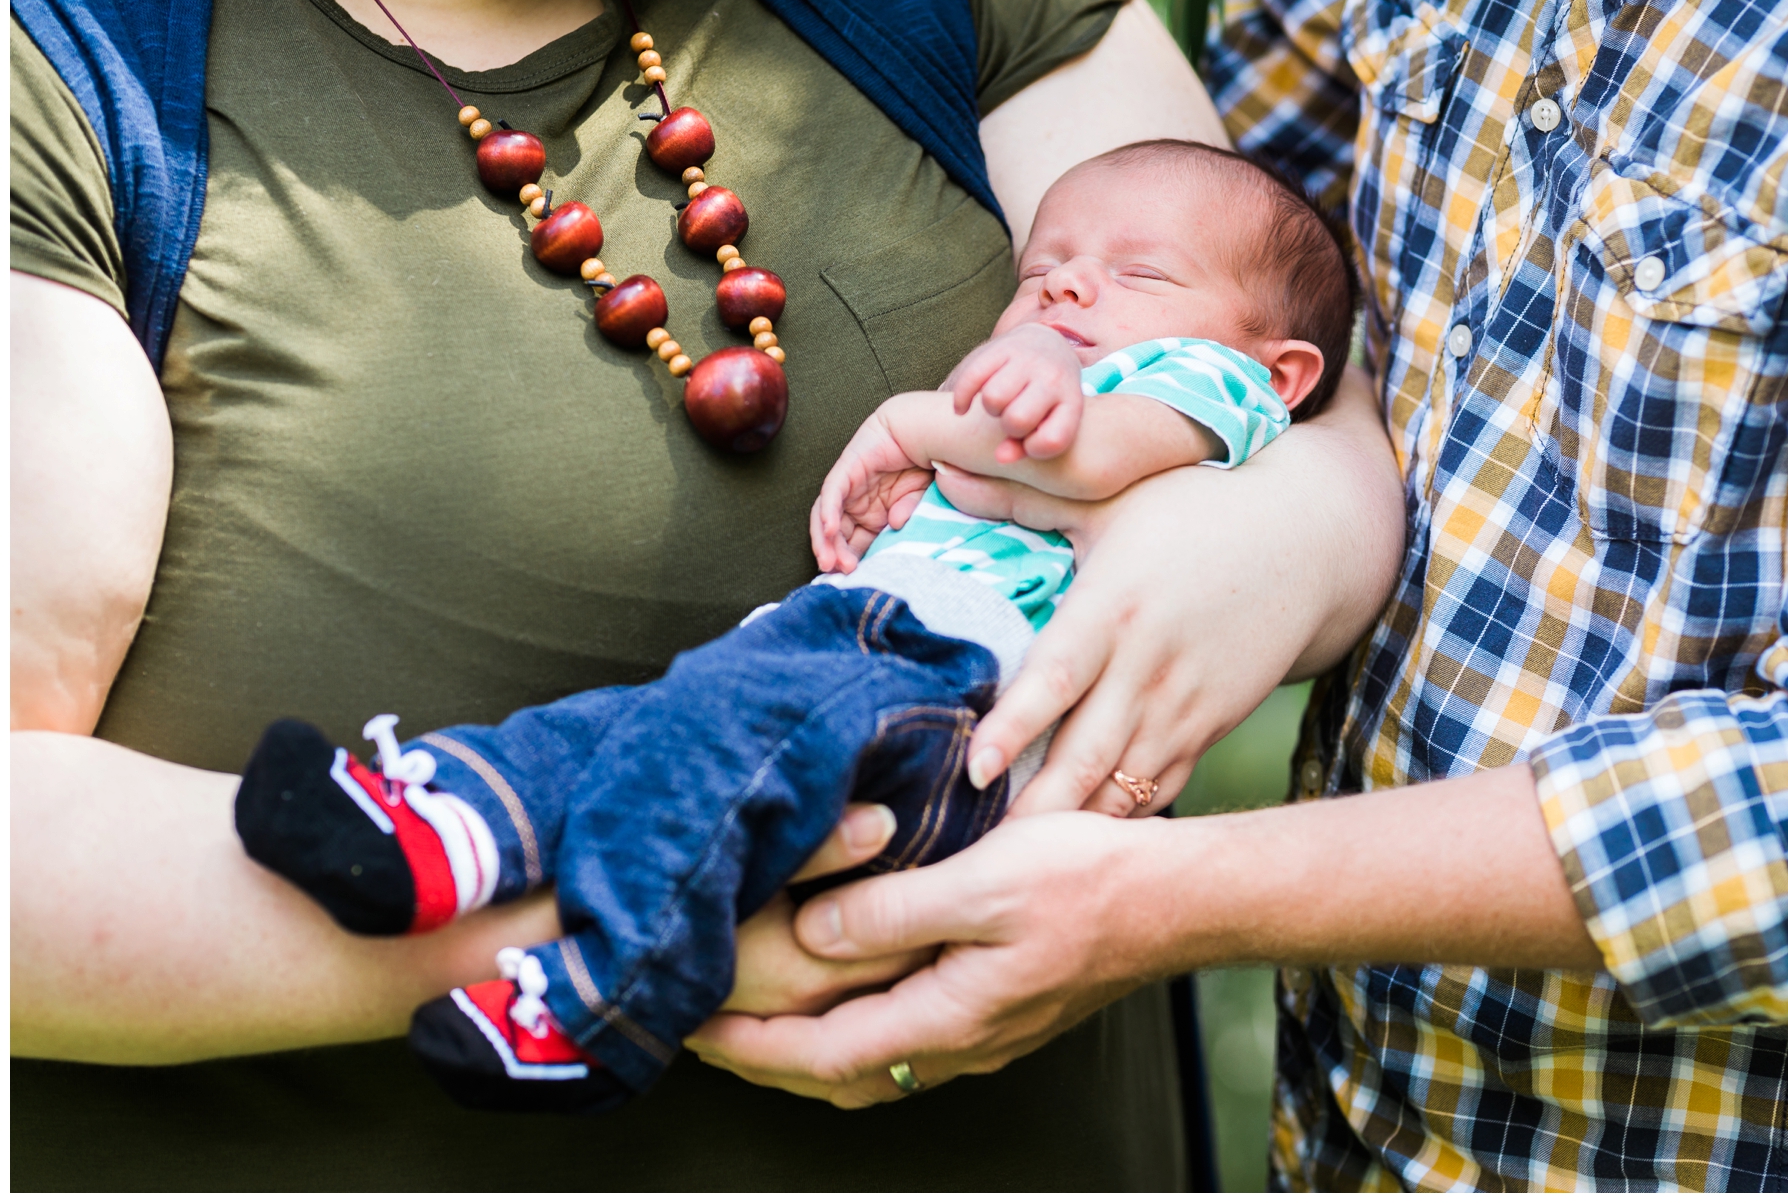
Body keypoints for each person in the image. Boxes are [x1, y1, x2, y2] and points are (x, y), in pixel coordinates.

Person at [11, 0, 1404, 1190]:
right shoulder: (65, 35)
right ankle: (468, 842)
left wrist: (1269, 549)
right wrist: (676, 906)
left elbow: (1290, 361)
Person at [684, 0, 1788, 1191]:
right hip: (1357, 1125)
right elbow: (1257, 253)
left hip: (1746, 1147)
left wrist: (1153, 901)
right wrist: (1252, 496)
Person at [234, 138, 1360, 1114]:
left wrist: (914, 420)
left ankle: (606, 999)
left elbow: (1080, 456)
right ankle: (445, 822)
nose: (1066, 294)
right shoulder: (1069, 365)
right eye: (1044, 272)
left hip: (962, 702)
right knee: (650, 725)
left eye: (1136, 274)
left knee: (715, 741)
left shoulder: (1216, 392)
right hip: (869, 648)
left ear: (1283, 366)